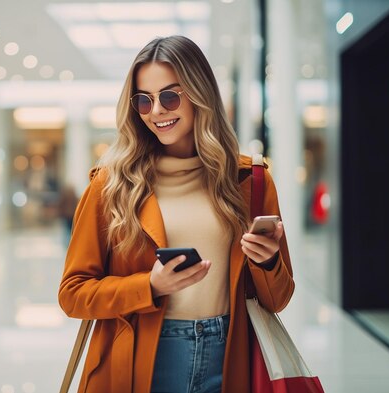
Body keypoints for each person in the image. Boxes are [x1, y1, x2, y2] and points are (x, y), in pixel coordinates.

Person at [58, 35, 294, 393]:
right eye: (143, 100)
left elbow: (278, 300)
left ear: (200, 93)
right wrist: (149, 286)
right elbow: (73, 294)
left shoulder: (250, 181)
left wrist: (268, 262)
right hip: (141, 358)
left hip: (229, 355)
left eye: (170, 96)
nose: (156, 111)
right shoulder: (109, 186)